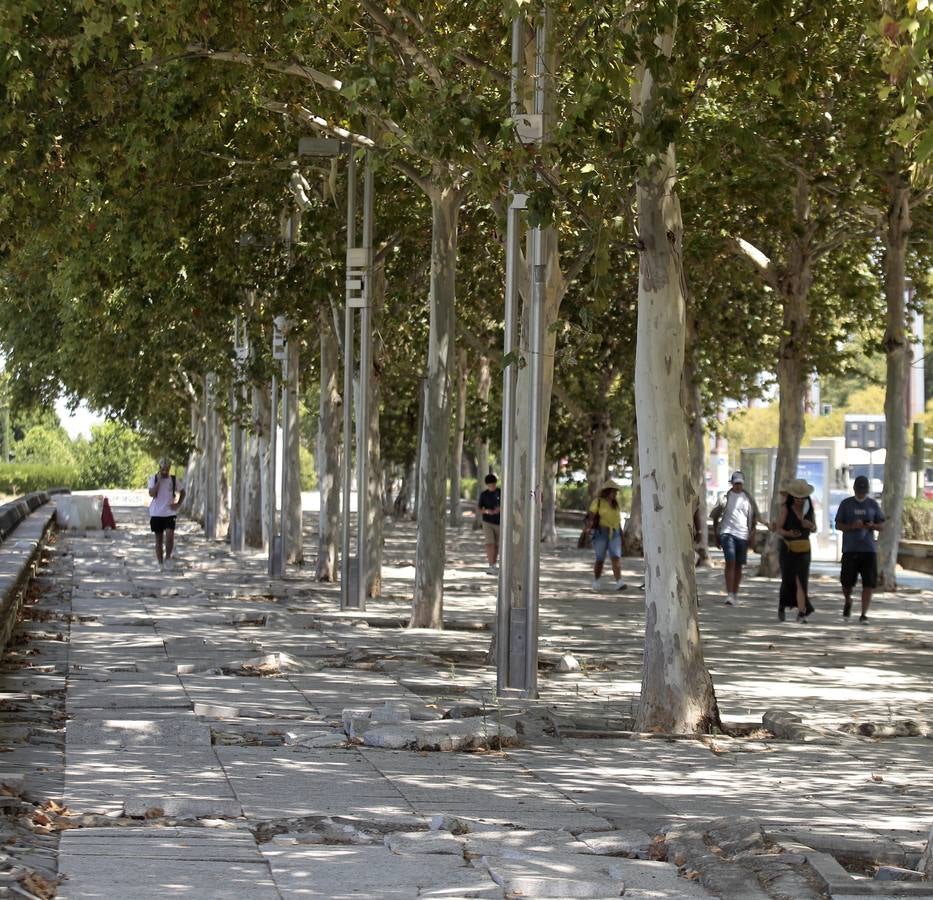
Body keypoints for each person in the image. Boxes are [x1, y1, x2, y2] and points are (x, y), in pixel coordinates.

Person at [834, 475, 885, 623]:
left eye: (863, 491)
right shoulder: (846, 504)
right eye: (859, 490)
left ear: (867, 490)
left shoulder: (873, 505)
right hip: (850, 549)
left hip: (868, 549)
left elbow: (882, 526)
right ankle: (848, 600)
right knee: (846, 583)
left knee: (869, 583)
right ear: (855, 489)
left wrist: (871, 526)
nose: (861, 493)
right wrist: (851, 527)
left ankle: (864, 614)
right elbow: (838, 524)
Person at [711, 471, 763, 606]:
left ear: (743, 484)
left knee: (739, 565)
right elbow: (715, 516)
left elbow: (754, 518)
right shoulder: (724, 497)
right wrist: (717, 535)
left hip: (743, 535)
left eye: (740, 483)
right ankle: (729, 594)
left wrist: (753, 535)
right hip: (727, 533)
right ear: (732, 483)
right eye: (736, 484)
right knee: (730, 561)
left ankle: (735, 593)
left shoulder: (748, 498)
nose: (738, 486)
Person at [776, 478, 817, 622]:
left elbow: (815, 528)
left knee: (801, 581)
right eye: (796, 497)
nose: (799, 501)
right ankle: (782, 605)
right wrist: (789, 533)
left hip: (804, 549)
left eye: (802, 498)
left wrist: (809, 526)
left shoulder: (808, 508)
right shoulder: (785, 508)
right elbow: (779, 529)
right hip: (788, 549)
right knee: (788, 580)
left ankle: (802, 612)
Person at [586, 480, 627, 592]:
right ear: (607, 491)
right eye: (613, 492)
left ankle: (619, 582)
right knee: (600, 558)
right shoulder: (598, 502)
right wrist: (589, 528)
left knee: (616, 557)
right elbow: (591, 516)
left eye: (616, 492)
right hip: (601, 532)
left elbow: (618, 521)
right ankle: (596, 580)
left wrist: (622, 535)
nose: (615, 494)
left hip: (615, 532)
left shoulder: (615, 505)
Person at [148, 457, 185, 571]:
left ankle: (168, 558)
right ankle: (160, 563)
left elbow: (183, 492)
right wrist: (159, 481)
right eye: (163, 469)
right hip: (156, 513)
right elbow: (151, 493)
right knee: (158, 540)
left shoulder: (173, 480)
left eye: (167, 469)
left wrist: (178, 504)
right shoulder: (153, 478)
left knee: (170, 537)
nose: (165, 472)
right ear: (159, 468)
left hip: (170, 513)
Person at [477, 473, 501, 575]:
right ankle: (491, 565)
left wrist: (500, 509)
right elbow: (479, 509)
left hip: (500, 522)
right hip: (487, 522)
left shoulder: (501, 492)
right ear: (487, 485)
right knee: (490, 543)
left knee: (497, 545)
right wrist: (487, 511)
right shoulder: (484, 495)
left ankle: (495, 564)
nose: (492, 486)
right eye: (490, 485)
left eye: (494, 484)